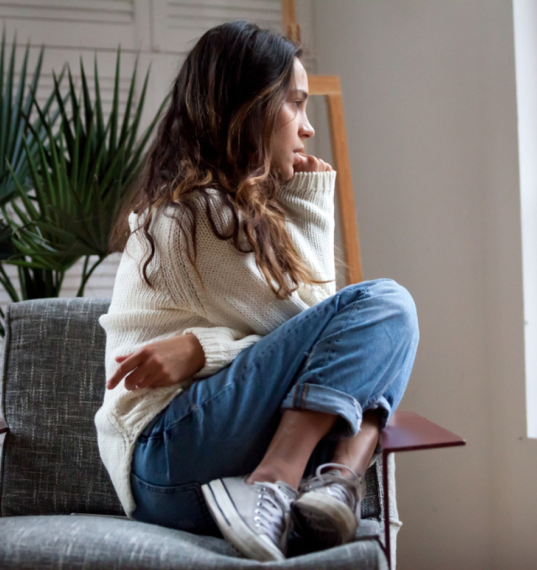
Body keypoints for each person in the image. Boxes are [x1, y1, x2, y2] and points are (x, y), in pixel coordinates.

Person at [94, 20, 419, 563]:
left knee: (374, 349)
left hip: (196, 462)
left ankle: (334, 486)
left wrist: (202, 349)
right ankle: (284, 478)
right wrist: (311, 202)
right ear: (249, 108)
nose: (307, 129)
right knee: (388, 307)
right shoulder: (195, 216)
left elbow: (325, 349)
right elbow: (322, 326)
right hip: (168, 452)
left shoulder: (237, 214)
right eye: (296, 104)